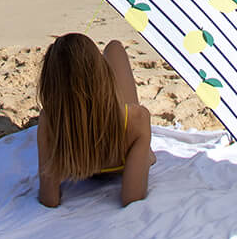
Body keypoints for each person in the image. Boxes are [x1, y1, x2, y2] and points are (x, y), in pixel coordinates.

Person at [36, 32, 154, 208]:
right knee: (114, 47)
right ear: (103, 74)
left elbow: (49, 198)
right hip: (118, 153)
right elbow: (132, 198)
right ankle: (146, 153)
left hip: (78, 162)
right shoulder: (138, 119)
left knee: (106, 50)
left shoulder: (49, 120)